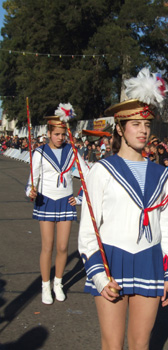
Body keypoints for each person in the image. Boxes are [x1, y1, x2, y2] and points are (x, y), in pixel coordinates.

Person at [78, 68, 168, 350]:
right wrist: (98, 274)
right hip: (111, 261)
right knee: (112, 345)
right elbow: (88, 230)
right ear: (120, 129)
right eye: (135, 124)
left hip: (149, 260)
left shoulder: (161, 174)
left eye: (146, 125)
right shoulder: (101, 171)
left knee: (140, 344)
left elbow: (167, 227)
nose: (143, 130)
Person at [25, 104, 88, 305]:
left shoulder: (72, 151)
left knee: (62, 247)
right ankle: (45, 285)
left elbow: (88, 175)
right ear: (49, 133)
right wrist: (31, 192)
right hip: (45, 201)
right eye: (57, 134)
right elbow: (31, 181)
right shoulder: (39, 153)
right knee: (48, 246)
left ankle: (58, 283)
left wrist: (79, 198)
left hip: (66, 202)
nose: (60, 138)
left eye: (63, 134)